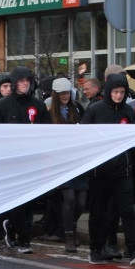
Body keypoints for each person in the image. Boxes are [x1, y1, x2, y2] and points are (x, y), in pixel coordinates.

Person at [81, 73, 135, 267]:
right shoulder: (95, 110)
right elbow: (84, 138)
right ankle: (96, 249)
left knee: (127, 211)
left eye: (122, 92)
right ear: (108, 91)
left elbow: (133, 143)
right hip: (100, 172)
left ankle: (134, 249)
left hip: (123, 171)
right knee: (98, 211)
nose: (119, 96)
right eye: (115, 92)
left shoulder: (127, 112)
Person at [0, 66, 50, 253]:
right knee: (16, 200)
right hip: (10, 162)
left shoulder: (38, 105)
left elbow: (47, 132)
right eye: (21, 81)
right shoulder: (3, 105)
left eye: (28, 81)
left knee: (29, 201)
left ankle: (12, 227)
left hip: (31, 160)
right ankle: (23, 240)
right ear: (14, 84)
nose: (25, 84)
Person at [47, 77, 87, 252]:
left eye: (67, 92)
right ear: (56, 94)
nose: (65, 96)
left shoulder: (77, 108)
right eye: (61, 93)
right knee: (69, 198)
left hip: (78, 159)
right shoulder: (49, 112)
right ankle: (69, 235)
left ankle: (72, 225)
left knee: (81, 201)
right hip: (60, 161)